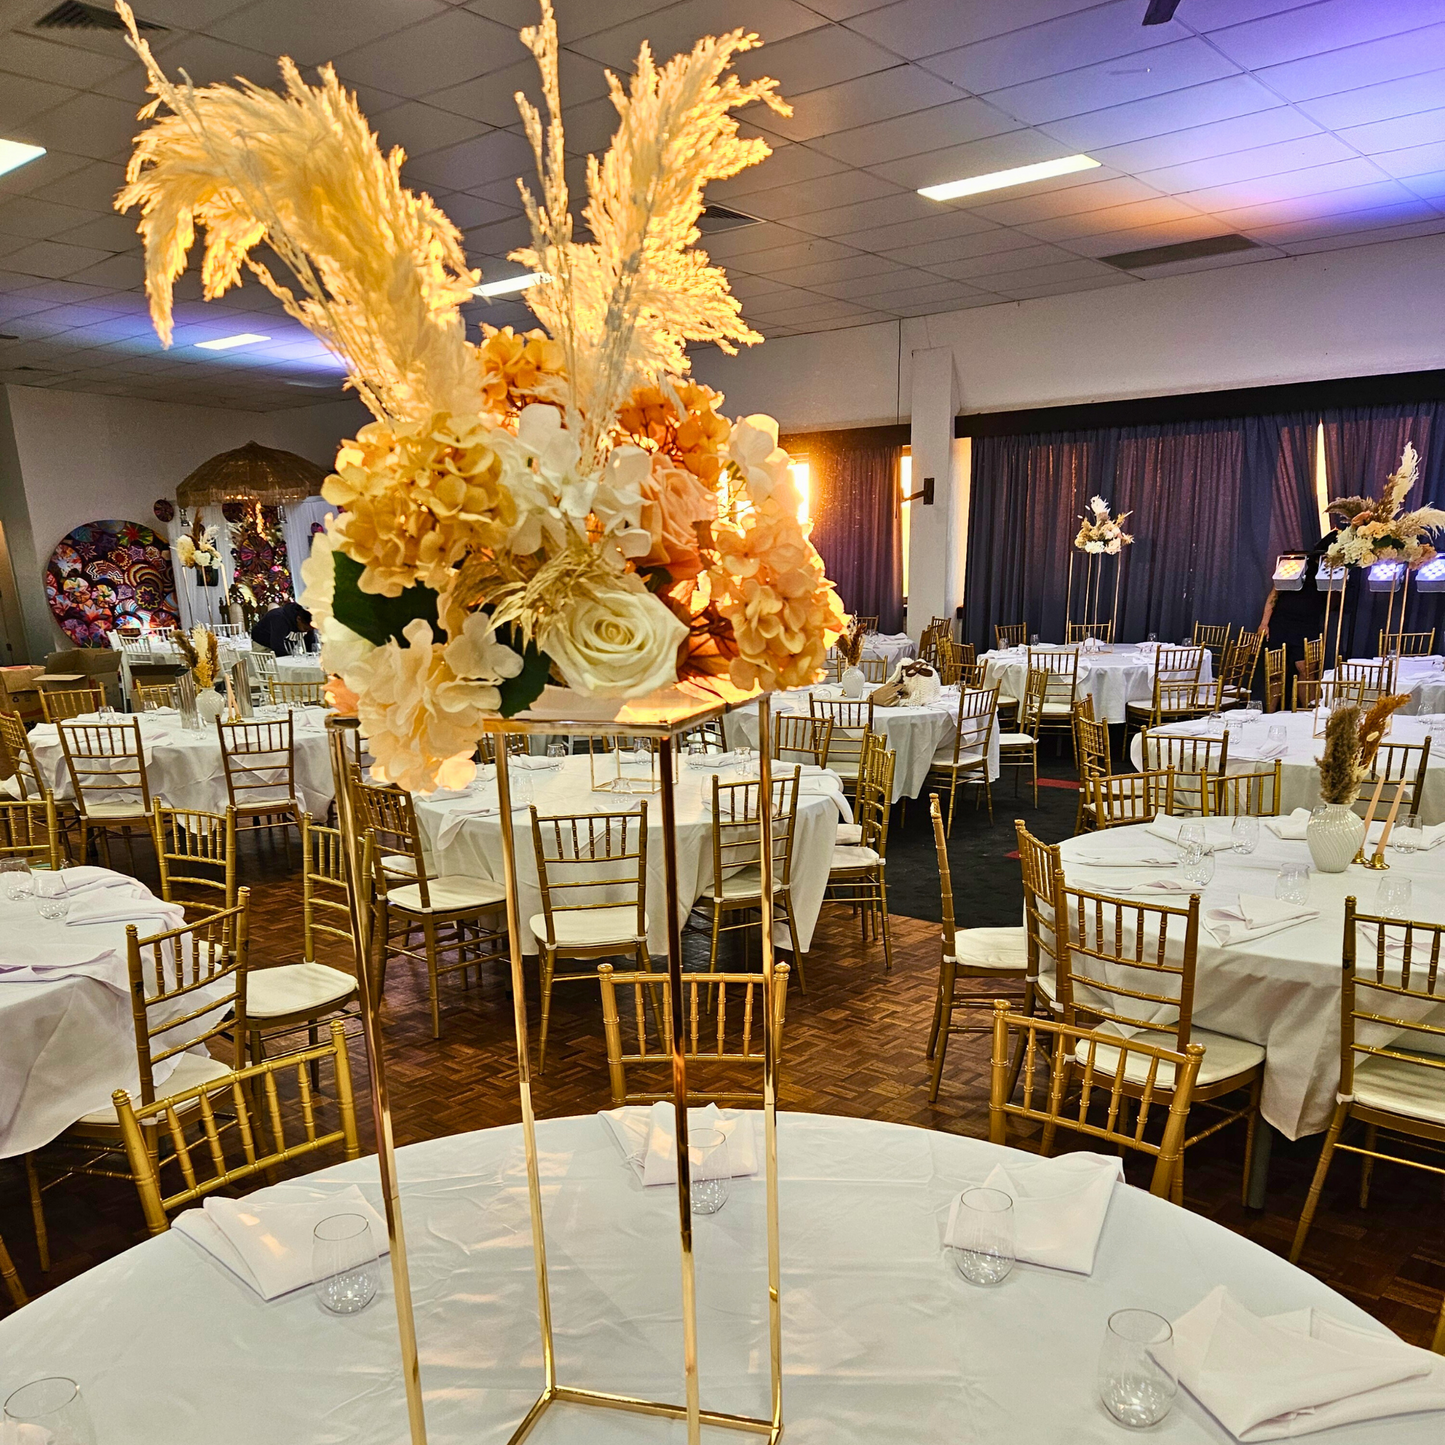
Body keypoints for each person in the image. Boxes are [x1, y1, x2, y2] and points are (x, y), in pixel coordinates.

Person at [250, 599, 315, 654]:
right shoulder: (280, 619)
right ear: (298, 619)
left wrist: (311, 655)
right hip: (263, 645)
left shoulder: (308, 621)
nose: (306, 631)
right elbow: (277, 645)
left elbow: (310, 643)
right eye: (305, 628)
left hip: (283, 645)